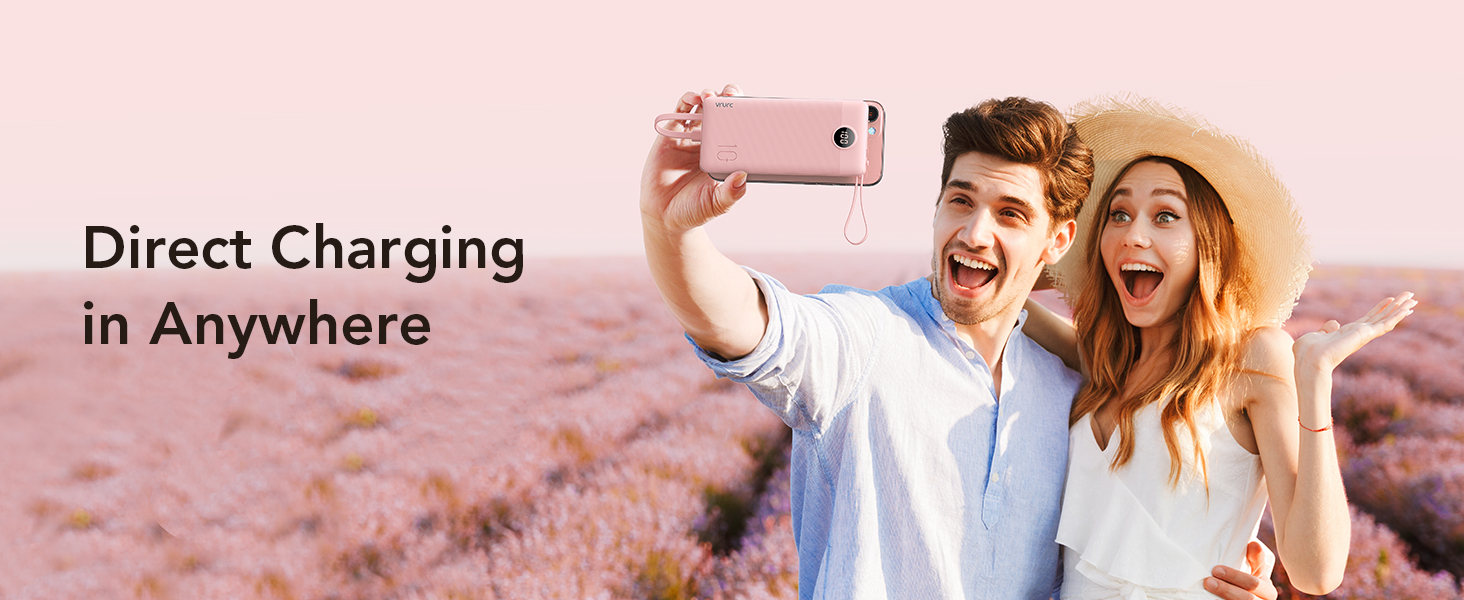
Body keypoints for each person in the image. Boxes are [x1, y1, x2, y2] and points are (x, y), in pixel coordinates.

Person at [639, 85, 1278, 599]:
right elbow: (747, 325)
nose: (974, 232)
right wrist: (671, 233)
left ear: (1057, 241)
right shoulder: (868, 340)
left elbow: (1120, 547)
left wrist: (1216, 575)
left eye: (1010, 214)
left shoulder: (1075, 393)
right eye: (960, 200)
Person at [1021, 97, 1417, 598]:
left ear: (1209, 243)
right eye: (1117, 214)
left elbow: (1316, 572)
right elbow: (997, 294)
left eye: (1165, 216)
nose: (1133, 235)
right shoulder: (1103, 358)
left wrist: (1313, 380)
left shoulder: (1253, 357)